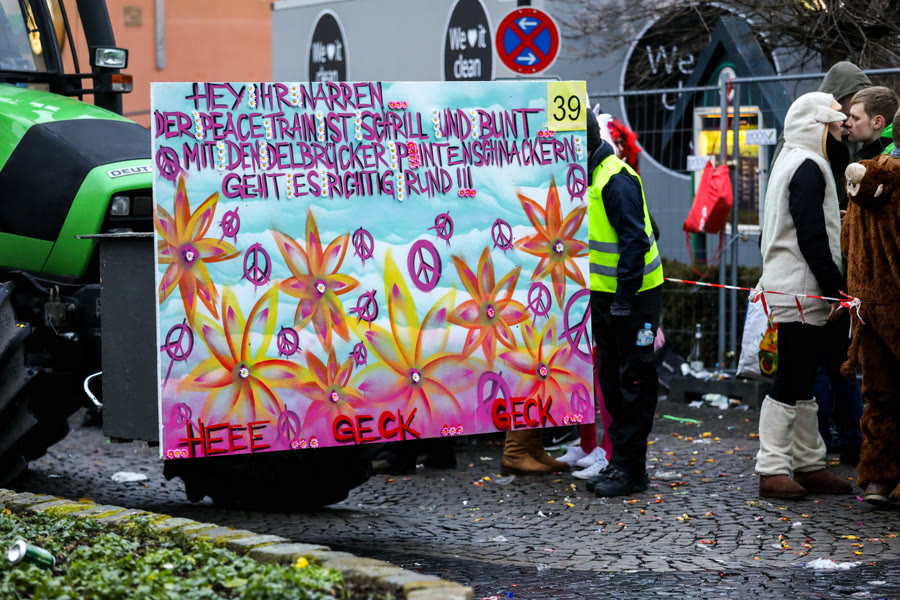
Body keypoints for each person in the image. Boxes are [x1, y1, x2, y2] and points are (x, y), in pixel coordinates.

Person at [756, 91, 854, 499]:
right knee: (792, 378)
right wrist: (837, 291)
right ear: (816, 126)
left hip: (797, 287)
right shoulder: (808, 165)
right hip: (800, 289)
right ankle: (772, 468)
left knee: (802, 381)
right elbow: (812, 236)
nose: (841, 129)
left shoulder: (792, 159)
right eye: (834, 123)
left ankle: (808, 463)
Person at [581, 109, 664, 498]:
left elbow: (636, 240)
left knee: (635, 380)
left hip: (634, 298)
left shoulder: (614, 178)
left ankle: (631, 469)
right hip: (607, 296)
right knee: (612, 381)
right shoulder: (589, 176)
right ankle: (622, 462)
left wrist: (624, 299)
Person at [840, 110, 900, 508]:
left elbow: (847, 243)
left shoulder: (863, 175)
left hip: (868, 305)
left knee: (879, 394)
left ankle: (879, 477)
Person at [845, 86, 899, 160]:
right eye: (849, 116)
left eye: (856, 118)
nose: (847, 123)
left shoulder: (893, 160)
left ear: (877, 122)